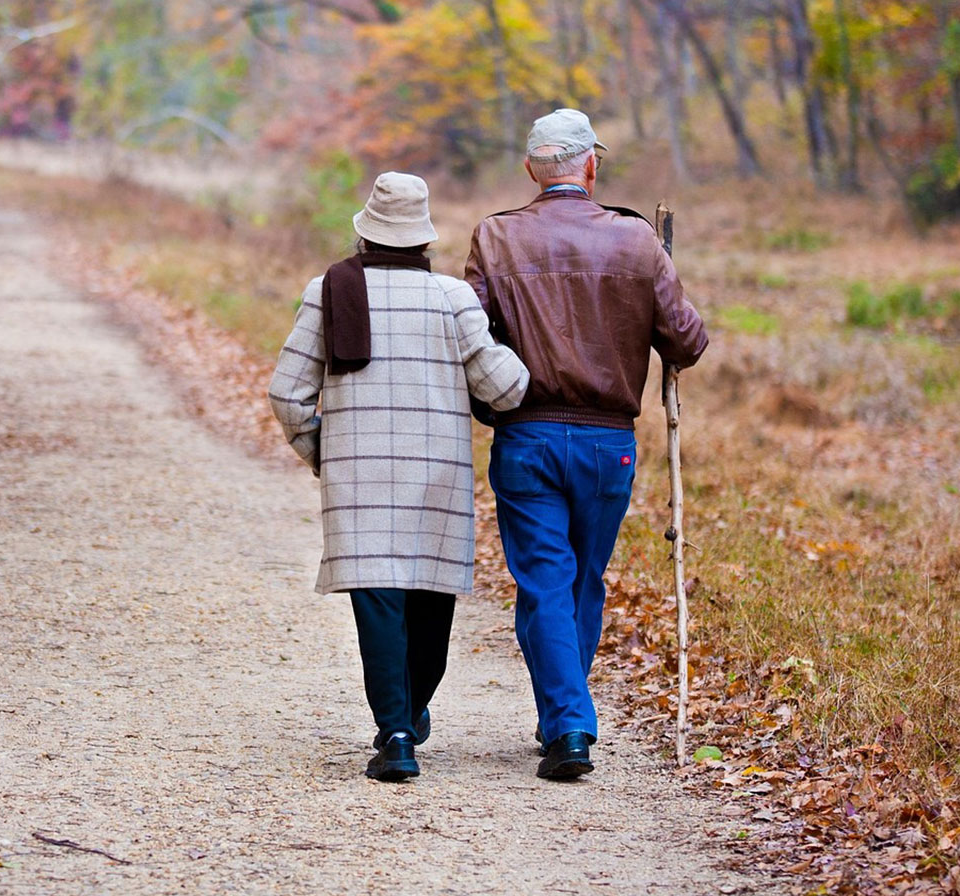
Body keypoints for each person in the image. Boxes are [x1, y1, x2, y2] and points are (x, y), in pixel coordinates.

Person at [463, 109, 709, 779]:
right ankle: (567, 722)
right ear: (591, 167)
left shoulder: (495, 237)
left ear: (530, 171)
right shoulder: (636, 241)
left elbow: (466, 332)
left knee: (546, 581)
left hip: (527, 434)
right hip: (608, 445)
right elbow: (688, 341)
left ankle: (564, 722)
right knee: (579, 581)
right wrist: (656, 276)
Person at [268, 172, 529, 781]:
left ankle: (398, 732)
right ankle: (409, 713)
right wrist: (516, 350)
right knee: (429, 601)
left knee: (378, 600)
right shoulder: (452, 298)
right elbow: (505, 389)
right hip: (436, 474)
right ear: (425, 241)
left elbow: (287, 394)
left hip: (357, 478)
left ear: (364, 233)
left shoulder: (327, 291)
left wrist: (322, 452)